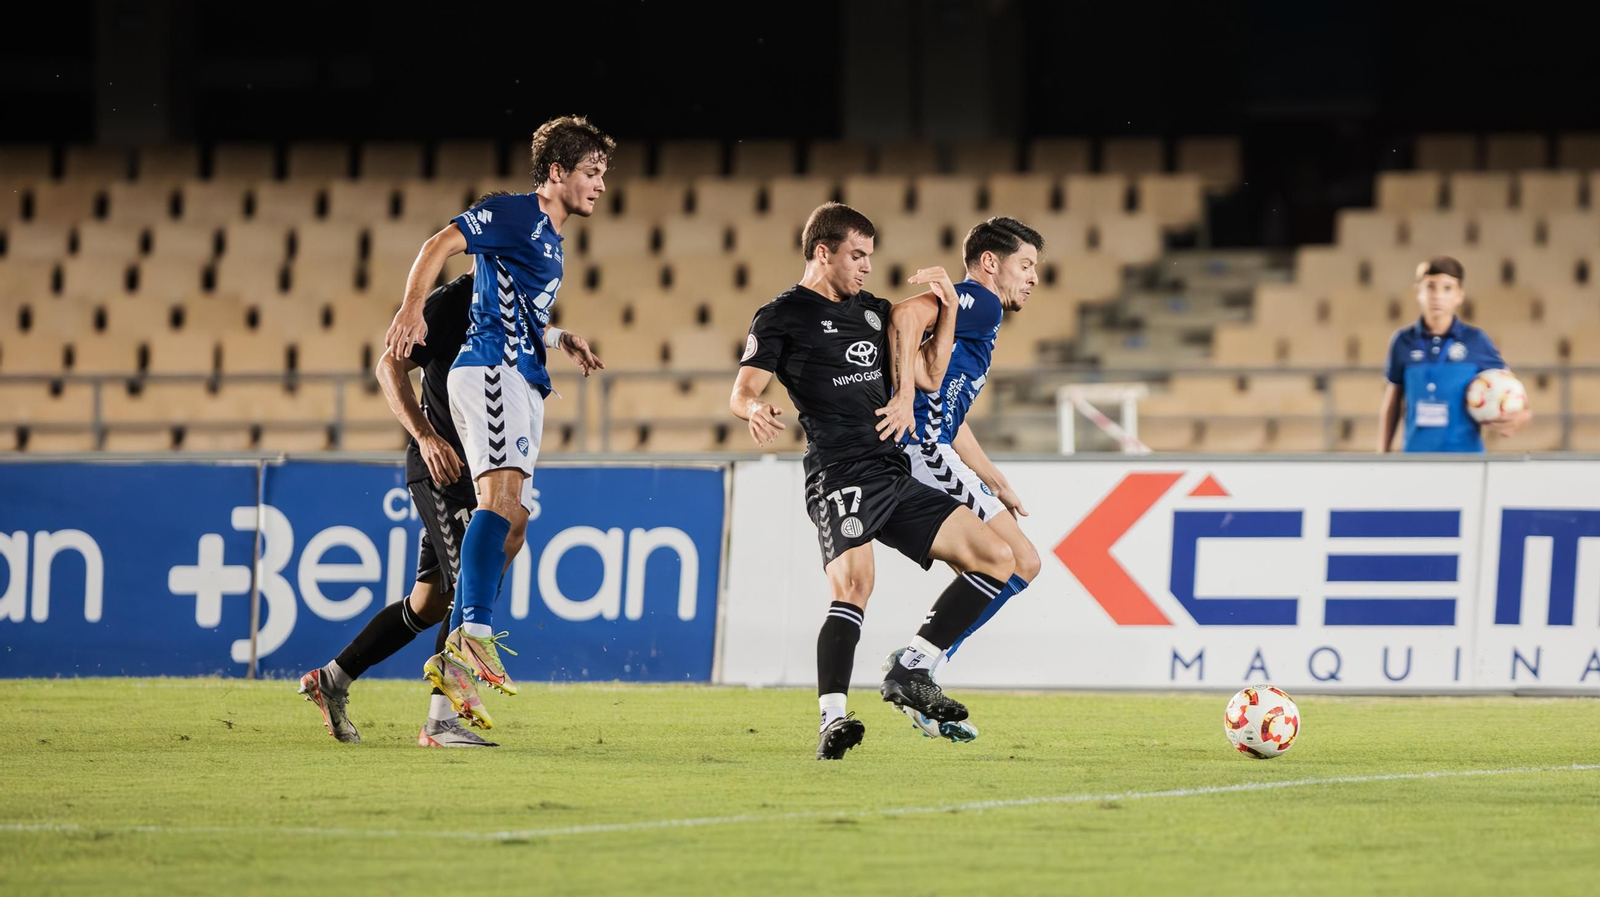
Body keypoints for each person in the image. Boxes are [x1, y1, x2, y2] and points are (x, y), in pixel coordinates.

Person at [729, 202, 1016, 761]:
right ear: (822, 252)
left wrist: (950, 306)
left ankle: (912, 668)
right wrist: (753, 410)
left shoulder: (874, 312)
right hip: (839, 472)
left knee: (996, 558)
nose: (865, 267)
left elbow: (931, 375)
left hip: (893, 470)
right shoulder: (781, 315)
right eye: (856, 255)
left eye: (869, 256)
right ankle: (832, 720)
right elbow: (742, 389)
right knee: (855, 585)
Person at [384, 116, 610, 700]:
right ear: (556, 172)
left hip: (525, 377)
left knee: (516, 521)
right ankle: (472, 637)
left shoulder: (550, 240)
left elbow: (518, 305)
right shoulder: (517, 213)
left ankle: (462, 639)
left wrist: (560, 339)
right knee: (500, 502)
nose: (600, 185)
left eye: (603, 174)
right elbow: (440, 243)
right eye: (591, 171)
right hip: (491, 371)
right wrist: (412, 310)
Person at [299, 267, 495, 747]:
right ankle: (440, 723)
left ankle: (332, 679)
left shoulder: (513, 304)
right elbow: (388, 365)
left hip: (477, 471)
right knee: (467, 586)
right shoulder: (452, 302)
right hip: (442, 468)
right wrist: (426, 437)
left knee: (427, 604)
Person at [887, 216, 1046, 743]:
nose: (1033, 278)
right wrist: (903, 393)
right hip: (921, 452)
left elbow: (950, 412)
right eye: (1026, 265)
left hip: (937, 448)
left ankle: (921, 667)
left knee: (1017, 563)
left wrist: (993, 476)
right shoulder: (979, 300)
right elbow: (905, 313)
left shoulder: (980, 313)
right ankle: (917, 664)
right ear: (990, 263)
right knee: (1019, 560)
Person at [1379, 256, 1532, 453]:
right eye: (1430, 286)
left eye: (1447, 288)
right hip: (1415, 457)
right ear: (1418, 292)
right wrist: (1382, 454)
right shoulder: (1402, 341)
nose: (1437, 295)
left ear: (1459, 295)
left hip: (1467, 458)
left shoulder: (1476, 340)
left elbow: (1509, 386)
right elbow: (1392, 401)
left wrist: (1522, 415)